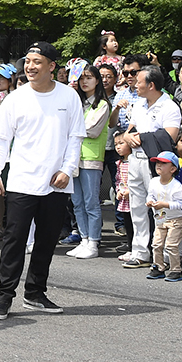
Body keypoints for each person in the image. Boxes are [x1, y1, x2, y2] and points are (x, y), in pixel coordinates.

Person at [0, 42, 86, 319]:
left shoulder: (69, 97)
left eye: (37, 62)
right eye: (27, 61)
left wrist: (68, 169)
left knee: (46, 240)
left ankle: (35, 293)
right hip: (22, 181)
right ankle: (4, 296)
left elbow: (75, 138)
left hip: (57, 182)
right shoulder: (15, 99)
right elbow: (2, 141)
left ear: (52, 66)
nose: (30, 66)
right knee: (14, 241)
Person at [118, 64, 182, 267]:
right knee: (137, 207)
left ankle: (163, 253)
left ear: (151, 85)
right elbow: (130, 129)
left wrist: (142, 138)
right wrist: (128, 136)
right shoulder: (139, 104)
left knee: (159, 208)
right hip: (135, 159)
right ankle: (140, 252)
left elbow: (170, 136)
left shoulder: (169, 106)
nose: (135, 85)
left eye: (139, 82)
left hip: (156, 163)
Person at [70, 66, 110, 258]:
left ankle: (93, 242)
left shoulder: (102, 104)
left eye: (89, 78)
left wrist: (73, 130)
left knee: (91, 202)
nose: (84, 82)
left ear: (97, 81)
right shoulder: (78, 103)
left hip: (91, 159)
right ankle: (84, 239)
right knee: (77, 202)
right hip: (74, 158)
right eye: (82, 78)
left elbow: (92, 130)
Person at [143, 151, 182, 282]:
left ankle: (176, 270)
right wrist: (150, 201)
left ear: (173, 169)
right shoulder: (153, 181)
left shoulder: (176, 186)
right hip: (160, 218)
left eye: (163, 163)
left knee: (171, 245)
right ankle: (158, 267)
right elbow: (150, 195)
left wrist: (165, 204)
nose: (159, 165)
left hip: (176, 219)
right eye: (157, 162)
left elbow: (180, 204)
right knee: (156, 244)